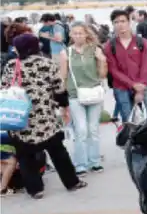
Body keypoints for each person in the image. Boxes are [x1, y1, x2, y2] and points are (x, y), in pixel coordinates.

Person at [0, 34, 87, 198]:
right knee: (58, 152)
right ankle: (72, 182)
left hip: (20, 119)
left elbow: (4, 88)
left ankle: (35, 190)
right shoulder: (47, 63)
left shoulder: (12, 65)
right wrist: (64, 107)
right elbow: (59, 89)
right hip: (45, 118)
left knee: (26, 156)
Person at [61, 22, 108, 175]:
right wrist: (62, 100)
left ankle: (94, 161)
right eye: (75, 33)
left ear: (86, 34)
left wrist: (101, 59)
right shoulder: (66, 53)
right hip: (75, 94)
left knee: (93, 129)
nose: (78, 36)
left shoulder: (95, 50)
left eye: (80, 33)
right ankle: (80, 163)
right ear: (70, 35)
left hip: (94, 92)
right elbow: (63, 76)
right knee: (81, 130)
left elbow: (102, 75)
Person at [104, 9, 147, 121]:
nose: (120, 25)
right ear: (113, 24)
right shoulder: (110, 45)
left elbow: (145, 66)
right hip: (121, 87)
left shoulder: (141, 42)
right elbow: (113, 70)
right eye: (116, 22)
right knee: (128, 120)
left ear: (129, 22)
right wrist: (132, 85)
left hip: (142, 84)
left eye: (123, 21)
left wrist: (140, 88)